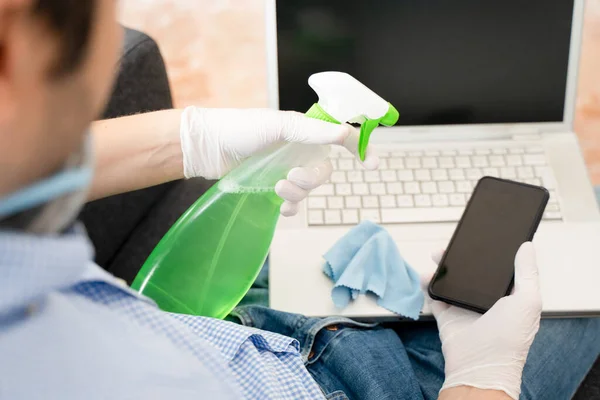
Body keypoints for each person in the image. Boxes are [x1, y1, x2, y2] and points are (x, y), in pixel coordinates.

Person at [0, 1, 598, 399]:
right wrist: (483, 376)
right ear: (17, 48)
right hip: (348, 383)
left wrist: (192, 139)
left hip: (222, 323)